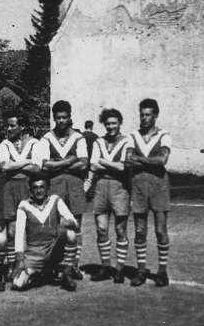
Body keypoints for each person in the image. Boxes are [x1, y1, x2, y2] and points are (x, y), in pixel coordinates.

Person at [39, 100, 89, 280]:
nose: (61, 121)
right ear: (54, 118)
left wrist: (57, 164)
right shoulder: (47, 138)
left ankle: (74, 265)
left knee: (76, 225)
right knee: (55, 227)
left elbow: (83, 164)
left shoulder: (78, 137)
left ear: (69, 117)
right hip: (55, 186)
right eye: (58, 118)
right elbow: (45, 165)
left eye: (64, 117)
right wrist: (70, 160)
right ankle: (56, 264)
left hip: (75, 186)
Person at [125, 98, 171, 287]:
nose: (144, 118)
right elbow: (128, 160)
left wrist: (139, 159)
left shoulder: (164, 135)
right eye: (142, 115)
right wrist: (149, 160)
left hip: (159, 186)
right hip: (138, 186)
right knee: (140, 230)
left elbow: (162, 160)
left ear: (155, 116)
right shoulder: (133, 135)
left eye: (148, 115)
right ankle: (141, 270)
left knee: (160, 230)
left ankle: (162, 271)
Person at [10, 175, 79, 292]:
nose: (39, 190)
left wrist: (68, 223)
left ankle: (67, 273)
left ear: (48, 188)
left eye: (42, 187)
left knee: (70, 234)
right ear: (30, 190)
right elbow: (19, 234)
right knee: (18, 284)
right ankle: (41, 273)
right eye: (35, 187)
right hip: (34, 253)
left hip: (52, 249)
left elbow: (73, 221)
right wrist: (20, 259)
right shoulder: (24, 205)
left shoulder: (55, 200)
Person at [0, 112, 45, 273]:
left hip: (28, 187)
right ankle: (12, 266)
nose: (8, 129)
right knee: (11, 230)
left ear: (22, 126)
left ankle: (30, 263)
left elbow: (37, 168)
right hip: (9, 188)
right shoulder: (5, 144)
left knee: (31, 227)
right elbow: (4, 166)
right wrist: (26, 161)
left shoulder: (34, 143)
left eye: (12, 125)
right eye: (7, 125)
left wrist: (15, 164)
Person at [89, 108, 133, 283]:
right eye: (107, 124)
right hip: (101, 186)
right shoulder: (99, 141)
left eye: (114, 123)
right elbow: (92, 165)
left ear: (120, 123)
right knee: (101, 229)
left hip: (120, 187)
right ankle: (105, 267)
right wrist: (110, 165)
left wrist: (102, 161)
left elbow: (123, 167)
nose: (110, 126)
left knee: (120, 230)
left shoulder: (127, 141)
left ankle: (119, 269)